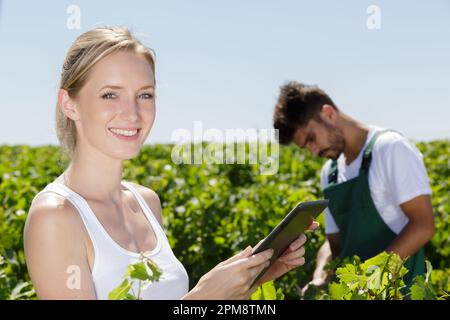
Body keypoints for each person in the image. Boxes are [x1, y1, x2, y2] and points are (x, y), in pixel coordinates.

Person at [23, 27, 316, 300]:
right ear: (69, 104)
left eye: (144, 95)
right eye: (110, 94)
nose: (133, 113)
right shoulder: (56, 216)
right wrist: (202, 297)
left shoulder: (146, 202)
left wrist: (247, 280)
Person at [272, 81, 435, 293]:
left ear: (328, 113)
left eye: (311, 139)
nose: (313, 151)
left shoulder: (390, 149)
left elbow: (423, 226)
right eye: (306, 147)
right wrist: (320, 275)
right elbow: (334, 244)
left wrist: (372, 278)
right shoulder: (329, 174)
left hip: (400, 293)